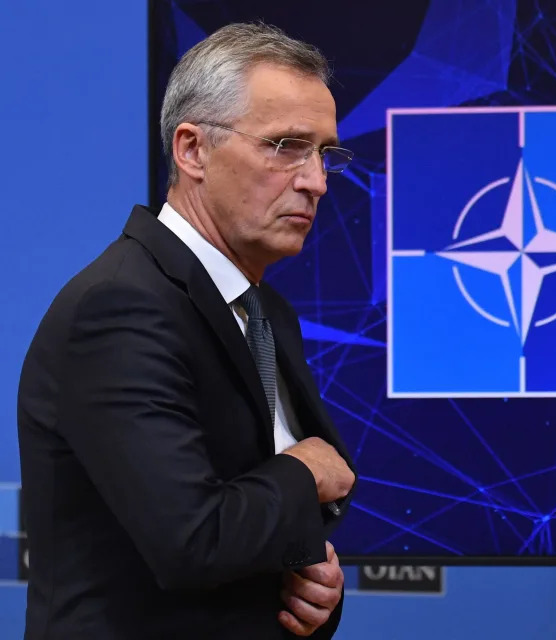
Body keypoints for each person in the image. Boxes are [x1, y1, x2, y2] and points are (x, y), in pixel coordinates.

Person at [17, 22, 358, 639]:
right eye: (286, 146)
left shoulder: (265, 313)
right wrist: (303, 474)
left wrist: (314, 591)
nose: (316, 181)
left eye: (325, 154)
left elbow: (265, 521)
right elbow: (192, 540)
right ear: (192, 150)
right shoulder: (121, 306)